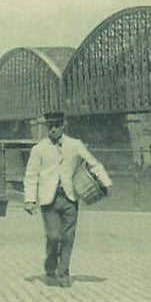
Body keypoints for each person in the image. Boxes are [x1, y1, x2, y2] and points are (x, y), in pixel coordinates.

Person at [23, 111, 112, 287]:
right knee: (53, 236)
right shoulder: (39, 149)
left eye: (56, 126)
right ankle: (50, 265)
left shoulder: (75, 145)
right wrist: (29, 199)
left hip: (70, 198)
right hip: (49, 199)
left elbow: (93, 163)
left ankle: (63, 273)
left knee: (68, 236)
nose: (53, 130)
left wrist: (106, 182)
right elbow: (31, 175)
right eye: (50, 126)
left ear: (63, 126)